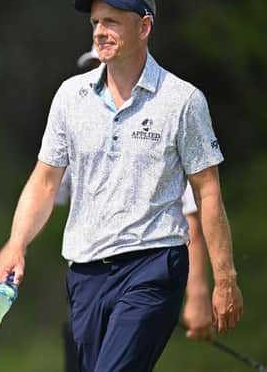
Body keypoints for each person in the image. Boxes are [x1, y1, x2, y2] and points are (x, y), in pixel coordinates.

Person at [0, 0, 242, 372]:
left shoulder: (183, 101)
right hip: (86, 272)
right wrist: (17, 242)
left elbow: (207, 192)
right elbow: (44, 181)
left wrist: (223, 278)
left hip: (153, 266)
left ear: (144, 27)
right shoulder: (70, 97)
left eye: (112, 22)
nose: (100, 32)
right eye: (95, 22)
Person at [58, 48, 215, 371]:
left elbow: (192, 223)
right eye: (96, 69)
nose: (104, 75)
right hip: (89, 282)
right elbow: (44, 191)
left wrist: (198, 293)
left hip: (145, 272)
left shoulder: (162, 125)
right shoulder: (81, 130)